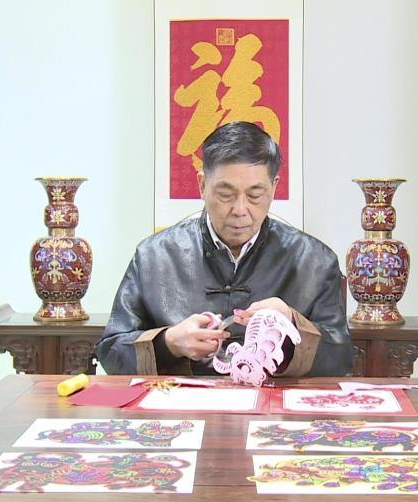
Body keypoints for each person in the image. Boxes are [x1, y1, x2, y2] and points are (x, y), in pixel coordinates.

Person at [96, 121, 353, 376]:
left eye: (254, 195)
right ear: (202, 185)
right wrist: (169, 343)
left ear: (274, 188)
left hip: (271, 401)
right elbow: (111, 352)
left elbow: (340, 358)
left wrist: (291, 324)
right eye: (226, 194)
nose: (240, 210)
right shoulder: (154, 256)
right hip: (184, 401)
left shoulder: (314, 261)